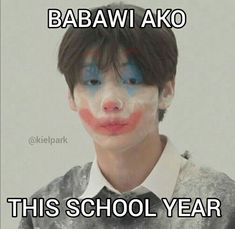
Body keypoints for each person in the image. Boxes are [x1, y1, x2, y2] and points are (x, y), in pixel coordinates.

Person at [19, 3, 235, 229]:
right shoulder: (47, 212)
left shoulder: (223, 207)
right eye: (92, 82)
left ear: (167, 91)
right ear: (71, 97)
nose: (110, 101)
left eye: (131, 80)